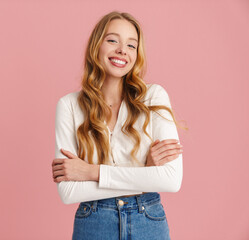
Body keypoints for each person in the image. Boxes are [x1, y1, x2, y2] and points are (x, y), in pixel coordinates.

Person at [51, 11, 184, 240]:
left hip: (147, 222)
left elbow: (170, 180)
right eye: (113, 40)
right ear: (96, 46)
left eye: (131, 45)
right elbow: (69, 191)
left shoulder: (153, 97)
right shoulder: (69, 106)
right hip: (94, 223)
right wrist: (145, 174)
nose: (123, 50)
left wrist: (91, 172)